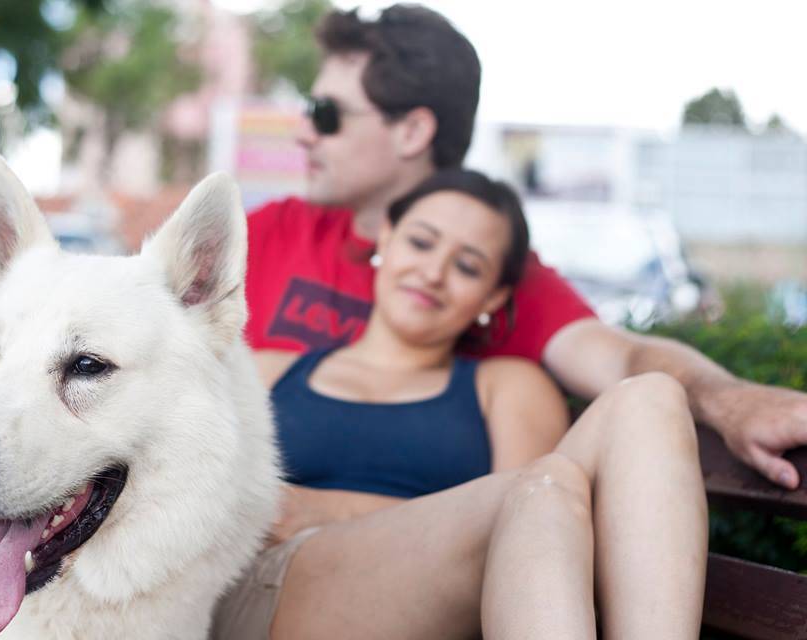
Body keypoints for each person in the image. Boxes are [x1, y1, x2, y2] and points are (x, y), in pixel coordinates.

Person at [244, 3, 807, 490]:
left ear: (413, 131)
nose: (303, 132)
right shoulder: (266, 234)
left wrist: (731, 400)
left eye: (326, 114)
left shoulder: (500, 277)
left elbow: (624, 358)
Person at [211, 168, 707, 639]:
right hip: (276, 593)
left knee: (650, 396)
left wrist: (330, 508)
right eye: (421, 242)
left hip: (451, 594)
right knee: (533, 494)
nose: (433, 272)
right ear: (385, 239)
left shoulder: (508, 386)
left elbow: (537, 520)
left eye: (467, 266)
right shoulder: (269, 370)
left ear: (493, 297)